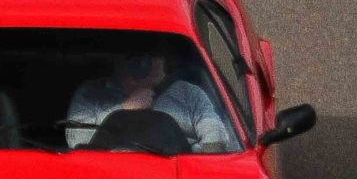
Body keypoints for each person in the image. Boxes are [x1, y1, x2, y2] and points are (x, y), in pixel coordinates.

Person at [65, 44, 233, 152]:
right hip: (111, 173)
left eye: (151, 56)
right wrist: (123, 110)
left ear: (163, 59)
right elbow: (77, 141)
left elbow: (215, 136)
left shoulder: (188, 93)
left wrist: (192, 155)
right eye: (134, 58)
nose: (142, 63)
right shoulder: (92, 94)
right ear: (117, 61)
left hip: (176, 173)